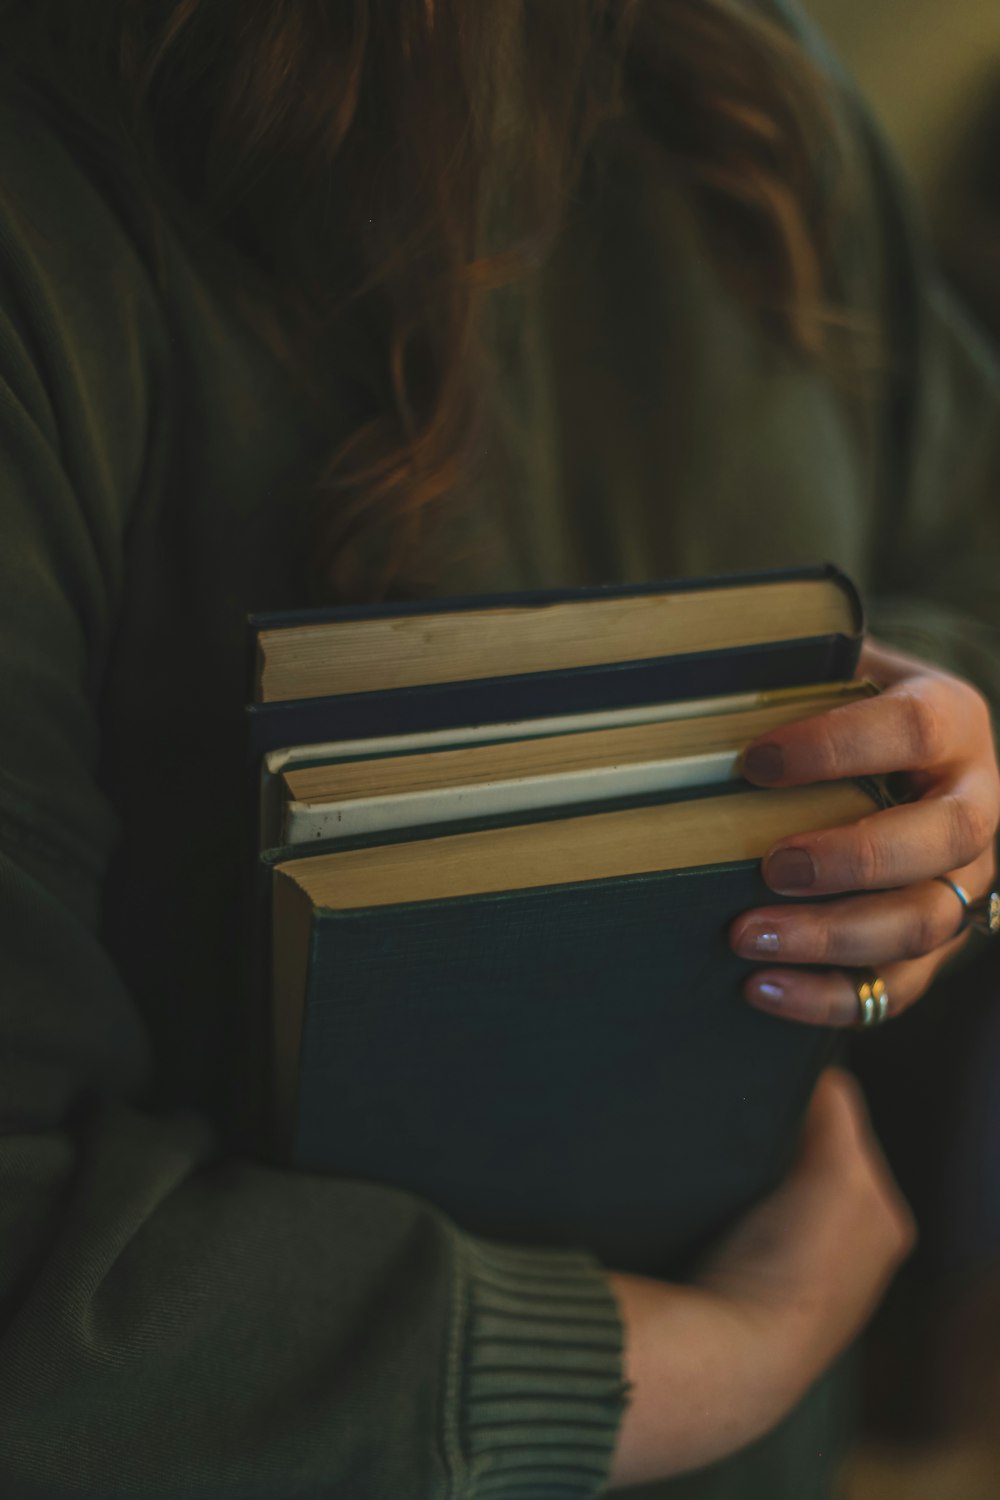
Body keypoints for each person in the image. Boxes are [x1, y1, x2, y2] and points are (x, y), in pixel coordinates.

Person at [0, 1, 997, 1496]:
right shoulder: (61, 188)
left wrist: (947, 799)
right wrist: (722, 1357)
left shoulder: (750, 76)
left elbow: (957, 559)